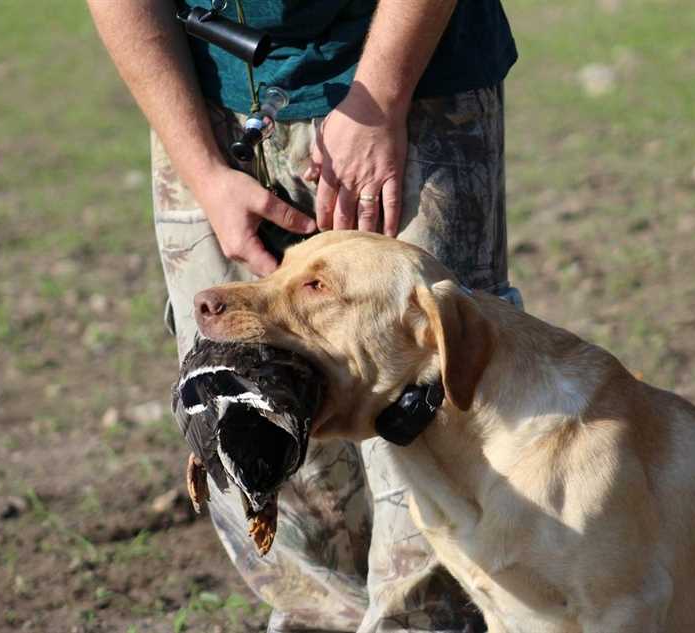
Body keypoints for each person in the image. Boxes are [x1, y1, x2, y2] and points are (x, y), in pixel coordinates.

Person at [86, 1, 520, 631]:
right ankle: (323, 616)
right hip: (205, 95)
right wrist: (202, 170)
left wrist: (379, 99)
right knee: (239, 404)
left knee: (436, 397)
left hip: (408, 75)